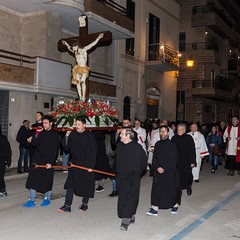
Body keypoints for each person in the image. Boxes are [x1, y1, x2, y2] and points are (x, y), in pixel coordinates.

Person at [58, 116, 97, 213]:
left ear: (84, 125)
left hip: (86, 163)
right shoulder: (73, 135)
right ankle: (67, 205)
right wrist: (66, 135)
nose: (77, 126)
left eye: (79, 124)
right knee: (70, 184)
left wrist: (90, 167)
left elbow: (93, 153)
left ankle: (84, 204)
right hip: (74, 163)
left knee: (86, 185)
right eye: (76, 124)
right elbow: (66, 149)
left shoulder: (89, 137)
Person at [23, 115, 59, 208]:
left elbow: (54, 150)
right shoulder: (41, 132)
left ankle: (47, 199)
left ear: (51, 123)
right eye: (43, 123)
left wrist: (51, 162)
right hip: (37, 159)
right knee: (33, 179)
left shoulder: (55, 134)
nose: (44, 124)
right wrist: (34, 136)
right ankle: (32, 200)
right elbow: (35, 144)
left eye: (46, 123)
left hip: (48, 160)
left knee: (46, 180)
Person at [116, 128, 147, 231]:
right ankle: (131, 216)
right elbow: (117, 162)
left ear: (128, 136)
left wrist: (137, 173)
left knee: (130, 198)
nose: (120, 136)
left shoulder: (137, 148)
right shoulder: (120, 147)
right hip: (122, 177)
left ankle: (125, 221)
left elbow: (143, 163)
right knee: (123, 197)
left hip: (133, 177)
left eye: (122, 134)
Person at [146, 125, 180, 216]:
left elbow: (173, 159)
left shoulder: (172, 145)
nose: (162, 133)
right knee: (156, 189)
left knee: (170, 189)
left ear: (168, 133)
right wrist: (157, 167)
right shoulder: (157, 144)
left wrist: (164, 168)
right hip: (158, 171)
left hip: (169, 171)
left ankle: (174, 205)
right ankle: (154, 208)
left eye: (164, 131)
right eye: (161, 131)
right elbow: (155, 158)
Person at [62, 32, 104, 101]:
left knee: (82, 81)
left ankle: (83, 96)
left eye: (75, 48)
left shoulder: (84, 50)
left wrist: (98, 38)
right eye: (74, 49)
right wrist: (66, 43)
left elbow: (92, 45)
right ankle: (80, 97)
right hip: (78, 68)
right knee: (77, 82)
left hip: (83, 67)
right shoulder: (75, 51)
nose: (74, 50)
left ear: (77, 46)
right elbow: (69, 48)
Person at [172, 123, 196, 196]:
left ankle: (189, 186)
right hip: (177, 160)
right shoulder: (174, 138)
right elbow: (171, 150)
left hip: (186, 160)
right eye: (179, 129)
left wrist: (192, 161)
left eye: (182, 129)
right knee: (177, 175)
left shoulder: (189, 138)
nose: (180, 131)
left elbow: (192, 150)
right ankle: (179, 188)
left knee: (188, 175)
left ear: (185, 130)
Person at [0, 125, 12, 197]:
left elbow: (7, 150)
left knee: (0, 176)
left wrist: (8, 161)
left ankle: (2, 190)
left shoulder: (2, 138)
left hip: (1, 160)